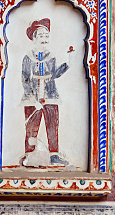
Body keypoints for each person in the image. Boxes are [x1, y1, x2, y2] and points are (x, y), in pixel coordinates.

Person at [21, 18, 73, 167]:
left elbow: (54, 74)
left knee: (52, 125)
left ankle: (54, 156)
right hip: (33, 99)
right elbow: (25, 79)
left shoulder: (51, 56)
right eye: (41, 36)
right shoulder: (28, 57)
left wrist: (67, 63)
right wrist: (33, 98)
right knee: (32, 126)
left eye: (46, 36)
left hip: (50, 95)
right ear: (34, 38)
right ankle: (29, 156)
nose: (44, 39)